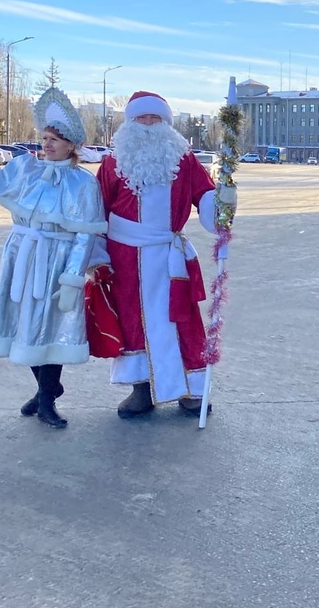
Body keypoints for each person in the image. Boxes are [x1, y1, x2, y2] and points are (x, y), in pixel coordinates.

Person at [0, 87, 106, 429]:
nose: (47, 144)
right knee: (22, 324)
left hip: (57, 261)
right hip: (21, 257)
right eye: (45, 138)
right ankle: (48, 388)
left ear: (71, 144)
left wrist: (73, 278)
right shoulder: (23, 170)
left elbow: (85, 234)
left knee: (50, 326)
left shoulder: (84, 184)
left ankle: (46, 401)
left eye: (55, 140)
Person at [98, 91, 237, 418]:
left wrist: (222, 201)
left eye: (154, 118)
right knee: (133, 323)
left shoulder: (184, 160)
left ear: (166, 123)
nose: (147, 125)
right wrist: (95, 255)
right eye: (140, 118)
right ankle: (141, 389)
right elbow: (97, 209)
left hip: (168, 255)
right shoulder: (112, 163)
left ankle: (190, 388)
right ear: (129, 123)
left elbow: (204, 197)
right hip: (125, 259)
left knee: (181, 319)